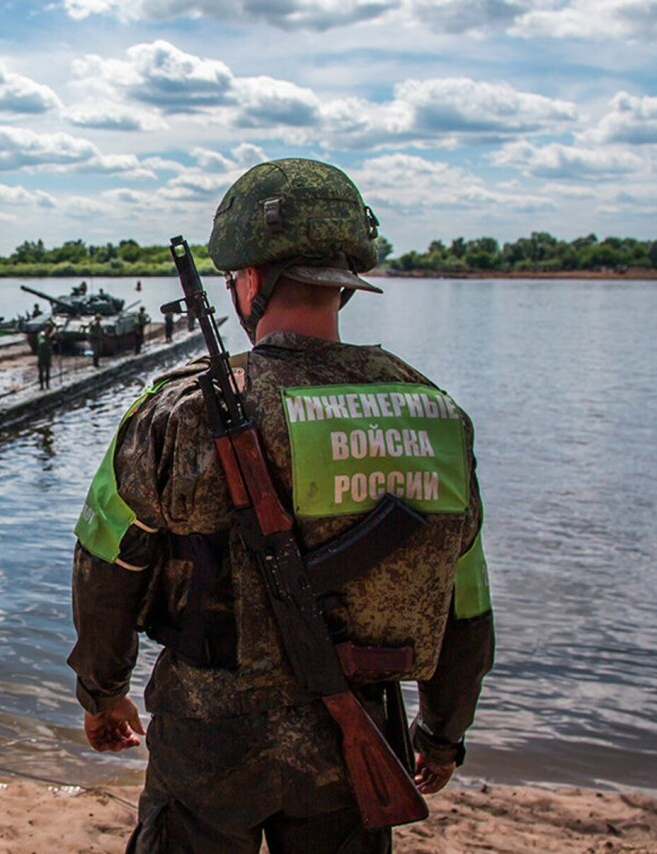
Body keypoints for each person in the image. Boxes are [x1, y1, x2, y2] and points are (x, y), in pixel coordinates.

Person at [68, 158, 494, 853]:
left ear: (252, 281)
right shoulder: (435, 415)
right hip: (357, 730)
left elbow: (108, 562)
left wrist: (102, 691)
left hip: (207, 735)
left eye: (235, 278)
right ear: (344, 286)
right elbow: (465, 600)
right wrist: (443, 733)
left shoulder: (175, 410)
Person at [36, 323, 55, 390]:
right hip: (42, 354)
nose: (47, 329)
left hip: (48, 354)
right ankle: (41, 386)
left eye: (49, 328)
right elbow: (42, 342)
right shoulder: (42, 334)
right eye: (47, 328)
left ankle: (47, 385)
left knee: (47, 370)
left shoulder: (50, 335)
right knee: (41, 371)